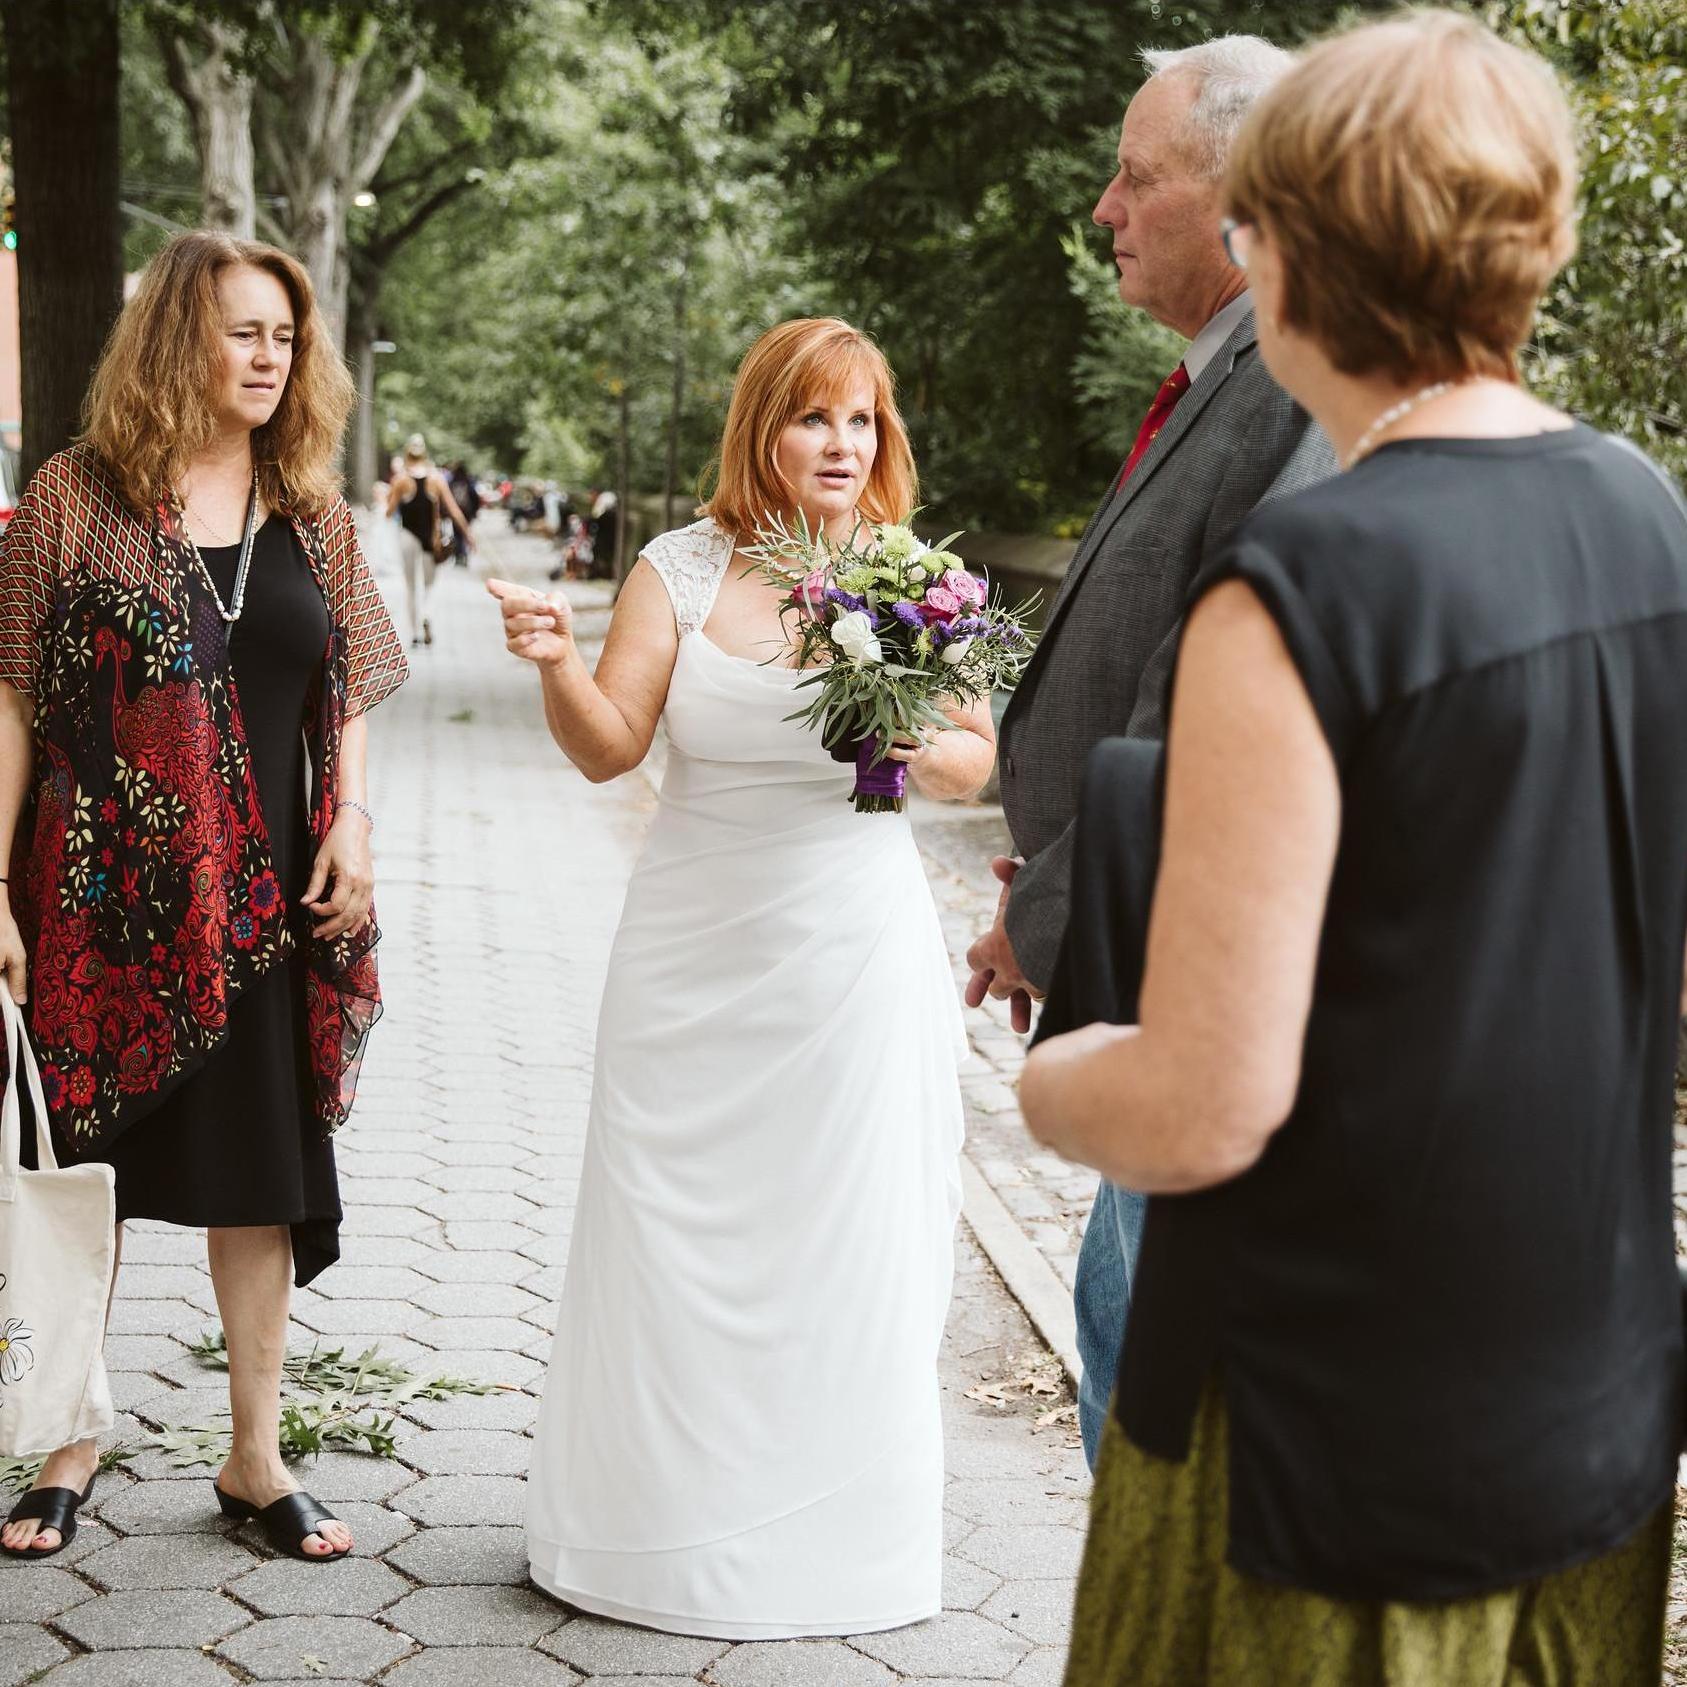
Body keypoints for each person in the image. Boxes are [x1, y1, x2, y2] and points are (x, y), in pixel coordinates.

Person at [1021, 13, 1687, 1683]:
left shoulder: (1304, 583)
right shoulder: (1646, 515)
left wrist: (1048, 1080)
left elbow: (1202, 1102)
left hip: (1327, 1438)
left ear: (1290, 241)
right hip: (1589, 1393)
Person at [491, 317, 995, 1638]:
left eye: (860, 420)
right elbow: (610, 747)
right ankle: (647, 1532)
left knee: (842, 1235)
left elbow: (962, 767)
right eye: (810, 417)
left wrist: (873, 665)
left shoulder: (907, 576)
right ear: (761, 431)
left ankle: (831, 1542)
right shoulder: (678, 566)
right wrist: (553, 662)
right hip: (688, 953)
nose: (839, 444)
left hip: (847, 956)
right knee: (669, 1234)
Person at [0, 231, 406, 1562]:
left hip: (264, 904)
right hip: (93, 898)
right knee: (85, 1171)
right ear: (177, 339)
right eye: (241, 330)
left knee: (262, 1176)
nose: (268, 356)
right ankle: (67, 1437)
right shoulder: (72, 497)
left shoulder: (312, 510)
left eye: (283, 336)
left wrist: (349, 817)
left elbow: (347, 686)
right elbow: (10, 704)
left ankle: (253, 1453)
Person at [967, 34, 1336, 1469]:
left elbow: (1198, 705)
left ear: (1240, 196)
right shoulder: (1220, 373)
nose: (1103, 207)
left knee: (1151, 1397)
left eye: (1134, 174)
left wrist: (1048, 911)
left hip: (1193, 970)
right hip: (1134, 931)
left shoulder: (1289, 389)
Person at [385, 434, 476, 647]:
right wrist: (468, 535)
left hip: (407, 535)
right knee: (430, 584)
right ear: (425, 454)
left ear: (407, 453)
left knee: (410, 587)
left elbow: (389, 513)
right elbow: (453, 510)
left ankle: (415, 633)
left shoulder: (401, 480)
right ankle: (426, 614)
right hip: (431, 538)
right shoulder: (436, 479)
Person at [446, 460, 481, 567]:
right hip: (467, 512)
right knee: (465, 532)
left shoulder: (452, 481)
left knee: (457, 534)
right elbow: (475, 497)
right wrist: (475, 511)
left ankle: (459, 555)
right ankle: (463, 554)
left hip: (455, 510)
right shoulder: (468, 481)